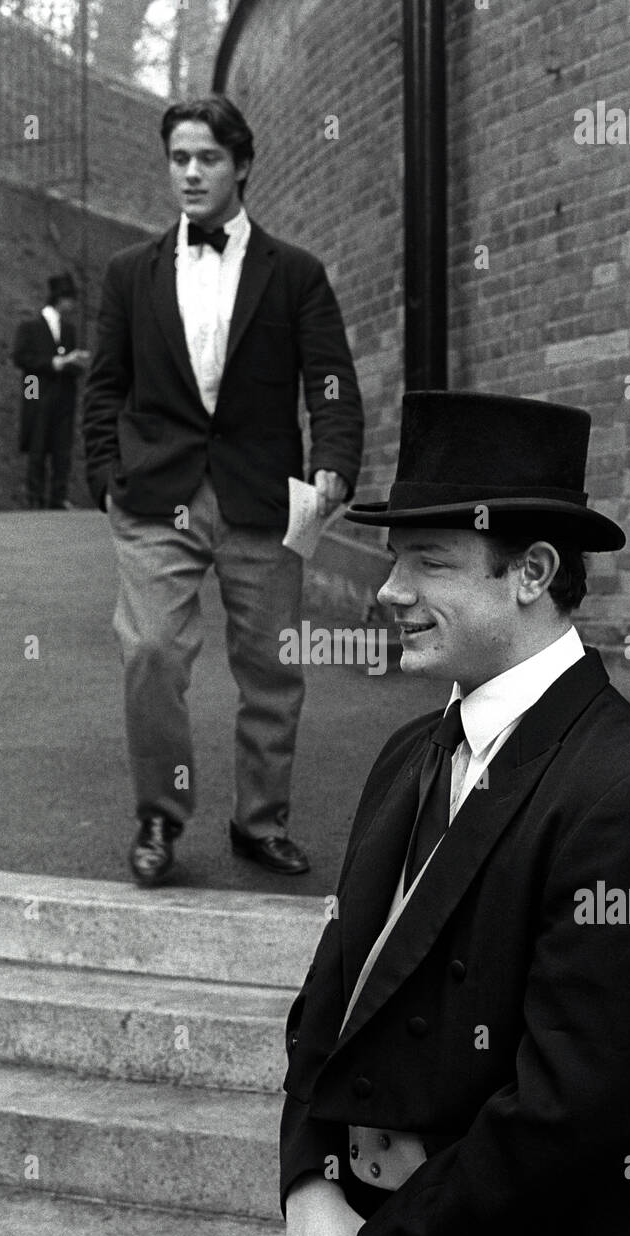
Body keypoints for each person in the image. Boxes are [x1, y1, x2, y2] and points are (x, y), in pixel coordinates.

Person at [279, 390, 630, 1236]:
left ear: (531, 572)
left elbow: (566, 1116)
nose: (388, 590)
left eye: (428, 562)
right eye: (395, 558)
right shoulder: (411, 750)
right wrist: (311, 1187)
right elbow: (328, 1002)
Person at [83, 95, 363, 886]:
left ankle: (260, 822)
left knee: (272, 668)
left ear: (242, 164)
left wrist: (335, 458)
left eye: (208, 158)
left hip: (263, 499)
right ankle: (159, 819)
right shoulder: (129, 273)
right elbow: (104, 387)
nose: (192, 173)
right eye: (179, 158)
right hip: (153, 494)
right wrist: (108, 471)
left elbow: (332, 380)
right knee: (151, 652)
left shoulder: (297, 274)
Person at [13, 273, 89, 509]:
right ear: (60, 299)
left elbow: (69, 363)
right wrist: (55, 362)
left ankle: (58, 497)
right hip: (36, 390)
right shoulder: (30, 327)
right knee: (37, 442)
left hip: (63, 394)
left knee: (62, 446)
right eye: (70, 299)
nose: (73, 305)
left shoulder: (68, 330)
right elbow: (22, 358)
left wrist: (74, 364)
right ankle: (35, 496)